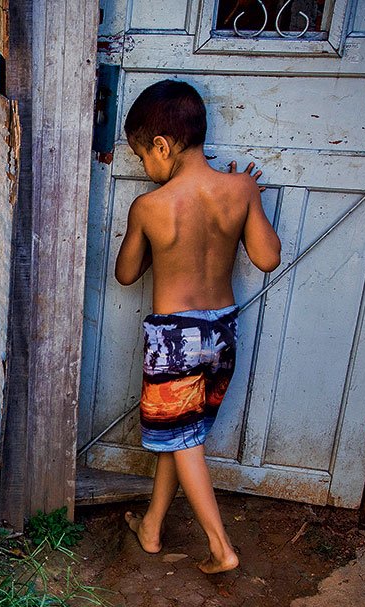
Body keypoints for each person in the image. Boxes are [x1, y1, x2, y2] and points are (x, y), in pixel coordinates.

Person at [114, 80, 281, 574]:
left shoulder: (150, 207)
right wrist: (247, 198)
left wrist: (150, 238)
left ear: (161, 146)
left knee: (183, 438)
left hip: (174, 340)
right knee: (180, 434)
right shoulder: (240, 189)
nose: (145, 168)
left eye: (143, 156)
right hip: (221, 334)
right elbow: (268, 258)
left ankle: (220, 546)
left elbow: (125, 274)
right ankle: (152, 526)